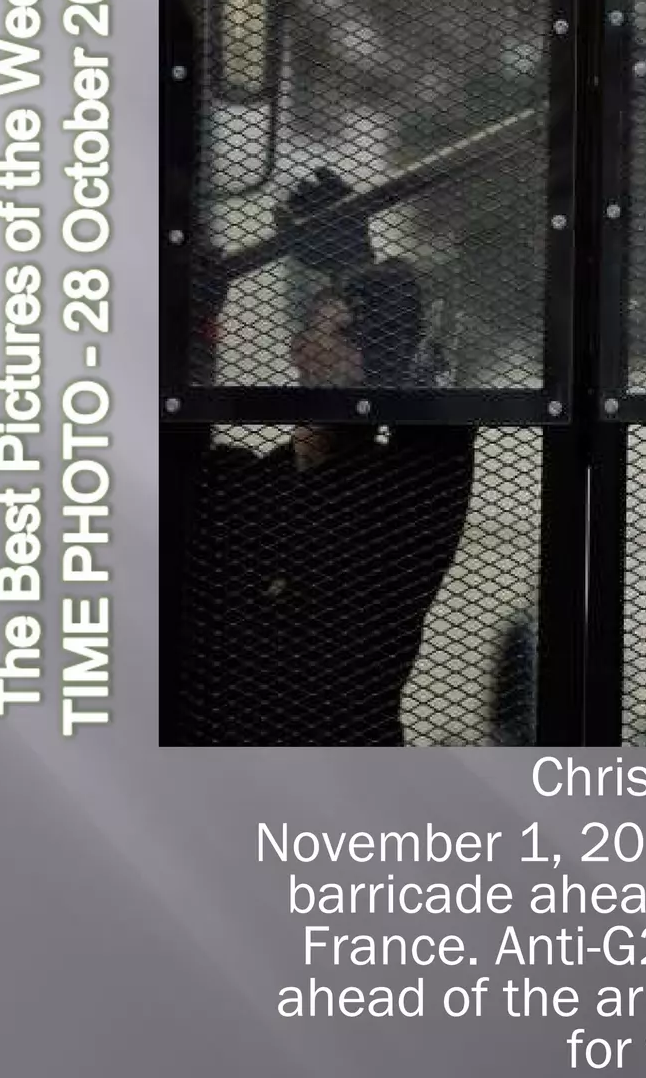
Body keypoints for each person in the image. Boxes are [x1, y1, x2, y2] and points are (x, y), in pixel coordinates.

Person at [180, 173, 477, 747]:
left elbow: (438, 422)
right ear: (300, 350)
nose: (365, 348)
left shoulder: (401, 497)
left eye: (377, 337)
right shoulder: (237, 483)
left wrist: (354, 265)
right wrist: (198, 321)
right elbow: (174, 445)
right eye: (344, 332)